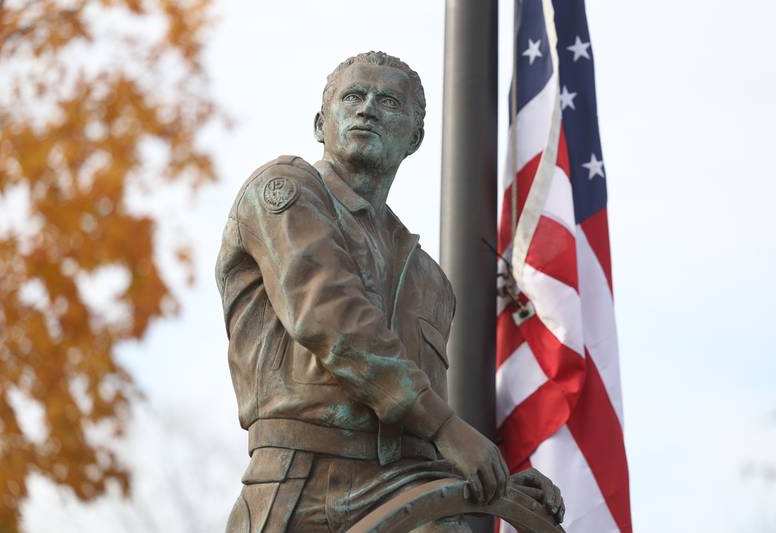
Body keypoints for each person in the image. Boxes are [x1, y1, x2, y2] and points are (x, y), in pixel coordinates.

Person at [216, 51, 564, 532]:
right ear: (321, 123)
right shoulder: (284, 190)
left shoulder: (430, 280)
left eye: (388, 102)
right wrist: (447, 428)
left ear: (415, 138)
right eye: (353, 97)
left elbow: (420, 431)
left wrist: (497, 481)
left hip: (405, 484)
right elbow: (331, 318)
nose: (367, 109)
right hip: (302, 486)